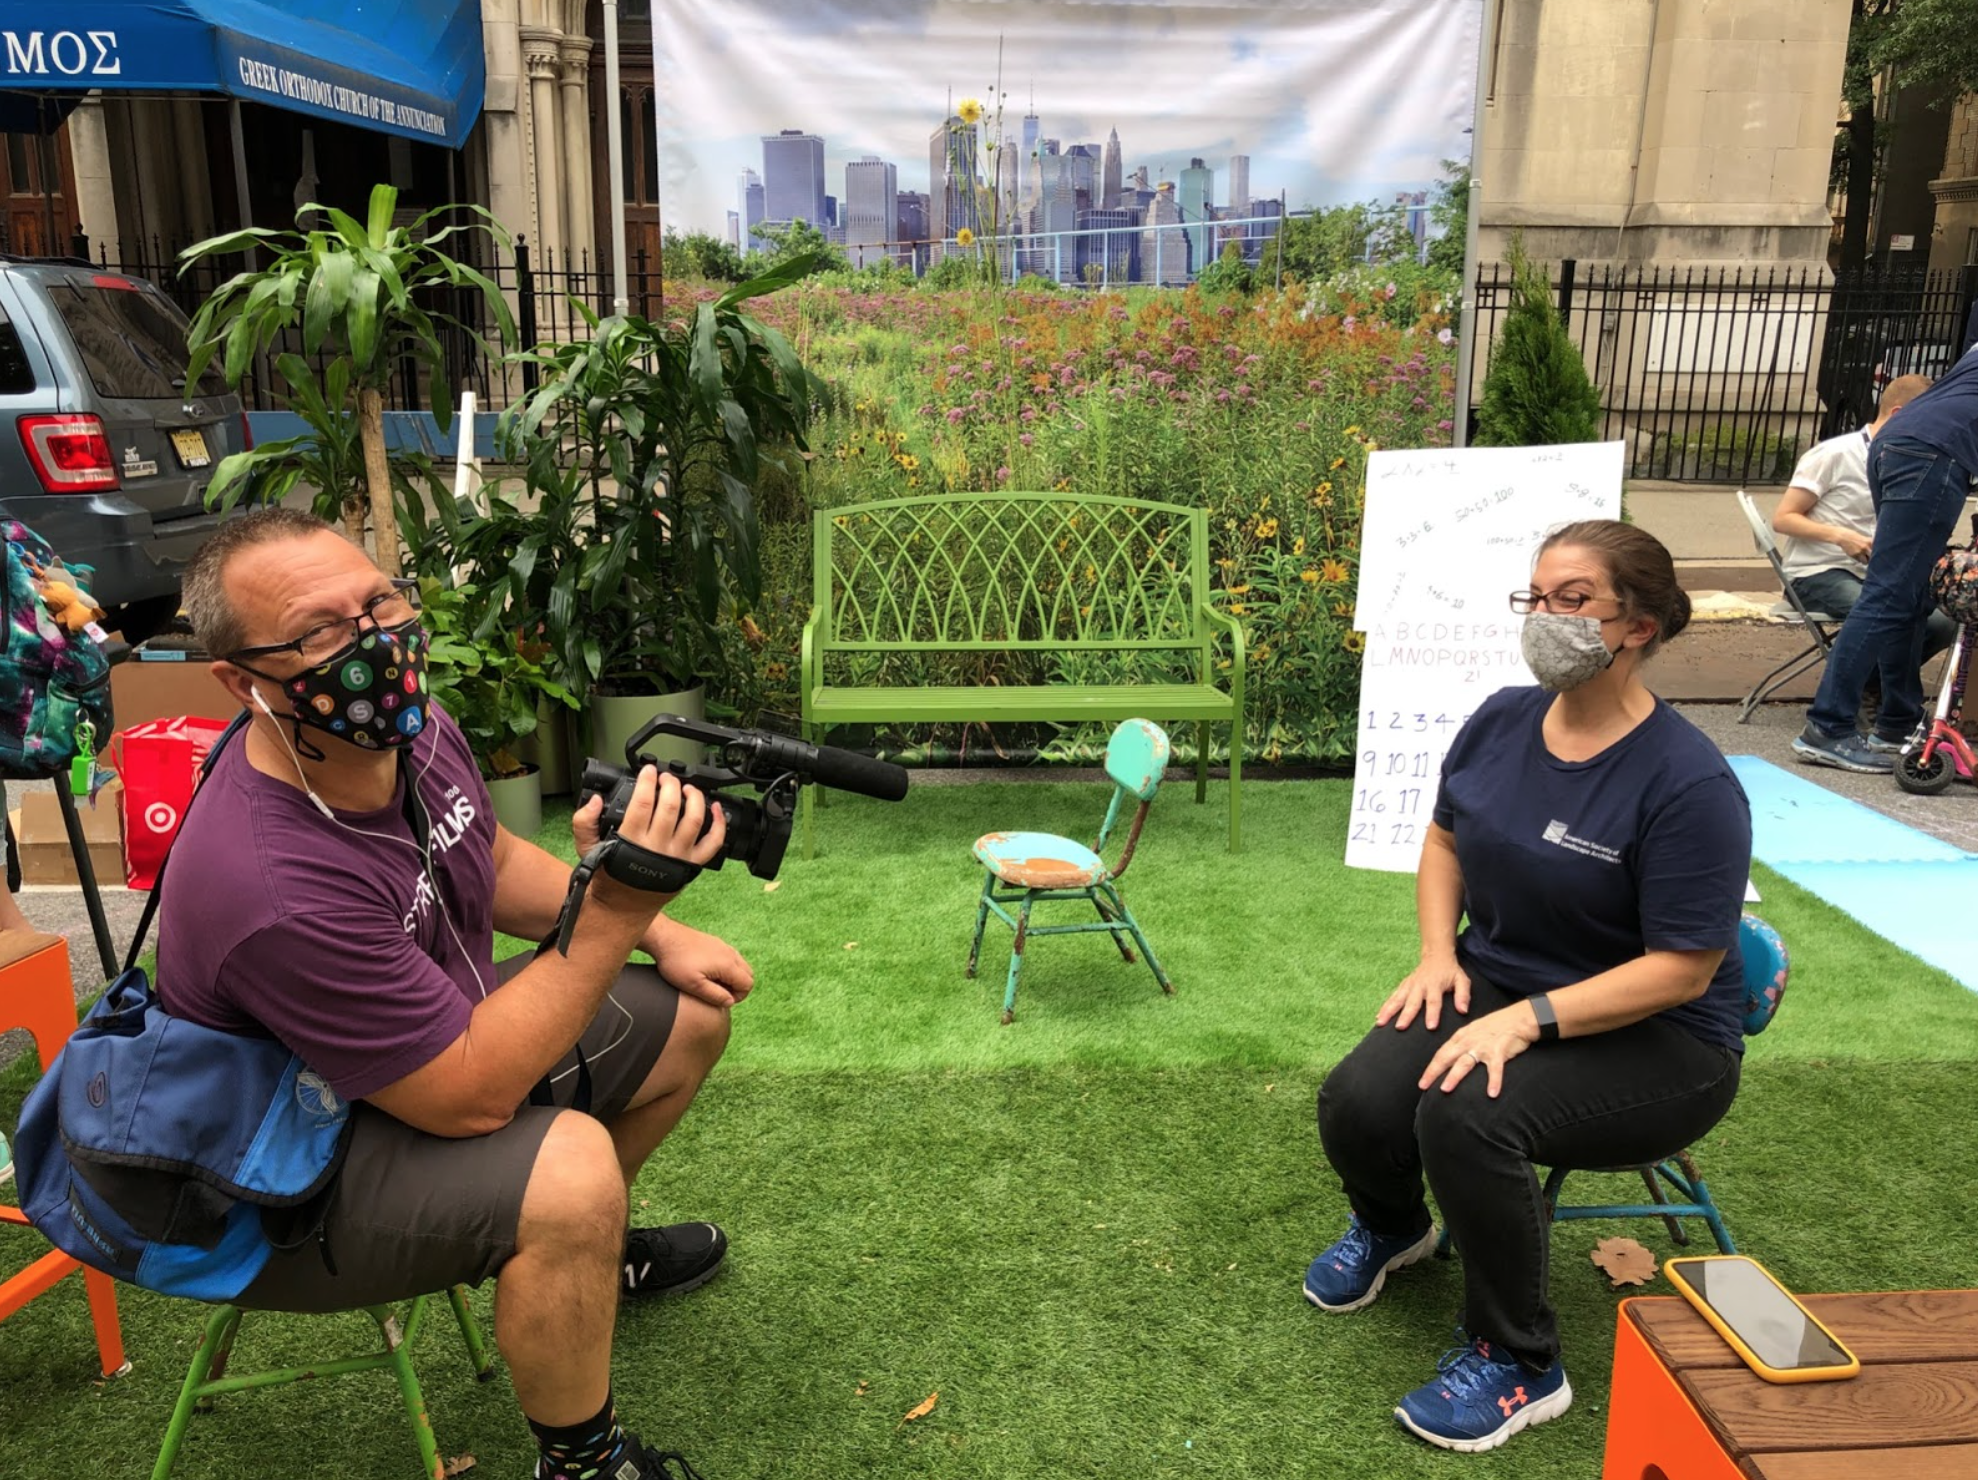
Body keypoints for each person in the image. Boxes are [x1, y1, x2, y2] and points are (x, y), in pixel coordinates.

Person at [166, 508, 751, 1480]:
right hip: (283, 1176)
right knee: (565, 1171)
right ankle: (582, 1463)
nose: (375, 644)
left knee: (689, 1018)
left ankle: (582, 1263)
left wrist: (656, 927)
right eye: (321, 632)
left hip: (410, 1066)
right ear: (240, 681)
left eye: (380, 602)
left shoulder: (405, 728)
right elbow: (470, 1093)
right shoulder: (264, 879)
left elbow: (487, 851)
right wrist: (616, 905)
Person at [1305, 520, 1751, 1454]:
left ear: (1637, 625)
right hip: (1502, 979)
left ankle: (1521, 1361)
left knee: (1467, 1115)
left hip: (1660, 1035)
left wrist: (1529, 1022)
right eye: (1537, 597)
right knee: (1359, 1098)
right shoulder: (1503, 717)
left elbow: (1686, 968)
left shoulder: (1689, 783)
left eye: (1573, 600)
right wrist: (1439, 955)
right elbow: (1444, 840)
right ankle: (1395, 1229)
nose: (1545, 618)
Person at [1797, 344, 1978, 772]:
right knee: (1888, 592)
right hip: (1932, 452)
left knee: (1908, 593)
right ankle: (1828, 727)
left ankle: (1897, 722)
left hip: (1901, 443)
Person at [1773, 374, 1956, 711]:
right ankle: (1867, 704)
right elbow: (1783, 518)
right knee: (1890, 614)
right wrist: (1840, 535)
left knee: (1945, 619)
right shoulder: (1834, 453)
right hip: (1819, 571)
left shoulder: (1914, 461)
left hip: (1877, 573)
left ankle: (1868, 686)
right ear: (1900, 414)